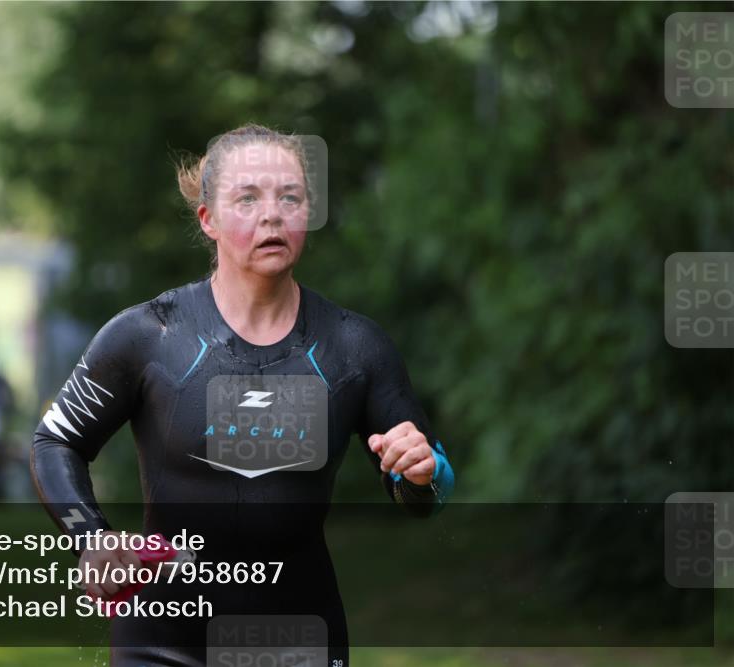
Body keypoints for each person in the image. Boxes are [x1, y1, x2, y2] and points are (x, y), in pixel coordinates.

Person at [32, 124, 455, 666]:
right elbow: (55, 441)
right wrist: (89, 537)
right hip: (162, 645)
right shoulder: (148, 336)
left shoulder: (355, 348)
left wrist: (420, 473)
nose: (272, 214)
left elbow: (427, 492)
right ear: (207, 218)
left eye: (290, 197)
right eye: (248, 198)